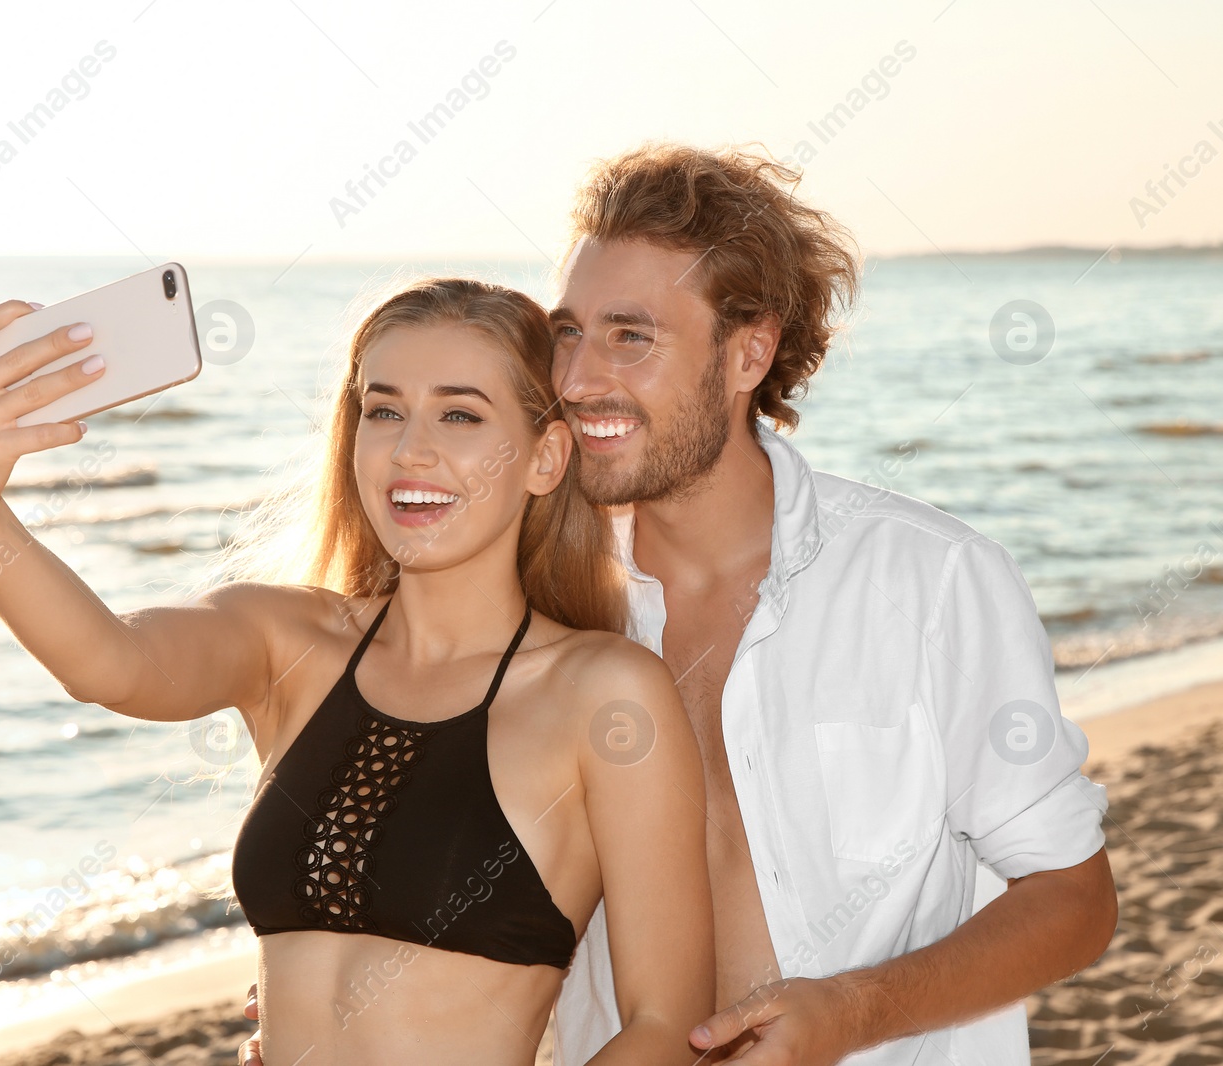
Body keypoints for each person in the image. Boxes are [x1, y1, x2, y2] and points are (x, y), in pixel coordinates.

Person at [244, 143, 1119, 1066]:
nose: (578, 378)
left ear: (749, 352)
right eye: (568, 331)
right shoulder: (537, 602)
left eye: (632, 336)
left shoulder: (930, 584)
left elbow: (1073, 899)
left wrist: (851, 1015)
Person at [0, 277, 717, 1064]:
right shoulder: (286, 640)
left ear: (544, 458)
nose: (411, 449)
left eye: (459, 414)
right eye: (384, 411)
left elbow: (666, 1024)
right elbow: (109, 663)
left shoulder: (604, 694)